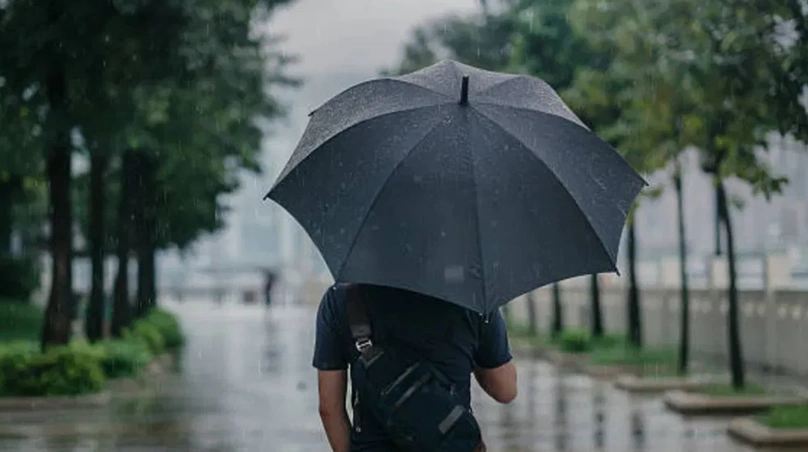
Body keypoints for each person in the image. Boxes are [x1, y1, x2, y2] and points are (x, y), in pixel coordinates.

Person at [313, 283, 517, 452]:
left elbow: (329, 409)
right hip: (450, 443)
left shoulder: (342, 297)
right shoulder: (472, 297)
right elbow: (505, 390)